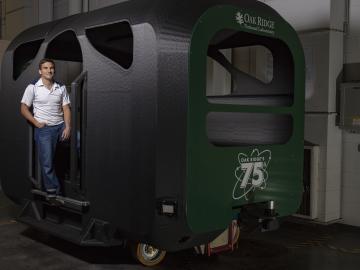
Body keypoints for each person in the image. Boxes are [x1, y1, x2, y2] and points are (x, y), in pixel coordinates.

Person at [20, 58, 71, 198]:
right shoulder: (33, 87)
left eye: (51, 68)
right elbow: (23, 108)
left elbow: (66, 108)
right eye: (46, 68)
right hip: (45, 129)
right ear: (40, 71)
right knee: (47, 162)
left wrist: (67, 127)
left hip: (60, 126)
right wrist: (36, 123)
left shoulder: (61, 87)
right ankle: (53, 192)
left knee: (79, 143)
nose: (49, 70)